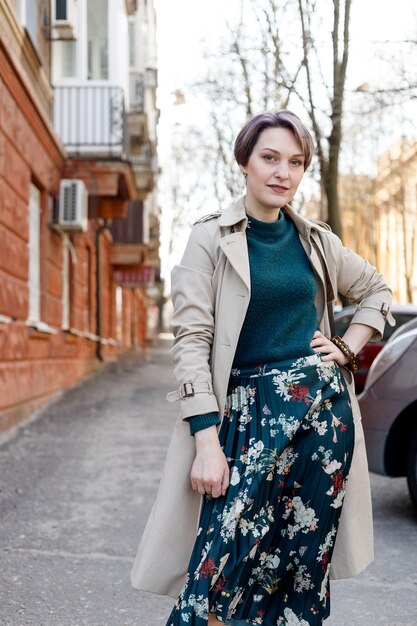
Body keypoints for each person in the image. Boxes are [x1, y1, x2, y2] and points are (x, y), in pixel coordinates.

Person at [131, 110, 395, 626]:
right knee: (219, 566)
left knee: (301, 565)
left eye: (295, 162)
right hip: (246, 419)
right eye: (270, 158)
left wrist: (345, 346)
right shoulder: (209, 239)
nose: (283, 173)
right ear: (245, 163)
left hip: (321, 415)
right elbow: (192, 341)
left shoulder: (315, 239)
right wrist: (206, 440)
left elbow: (376, 292)